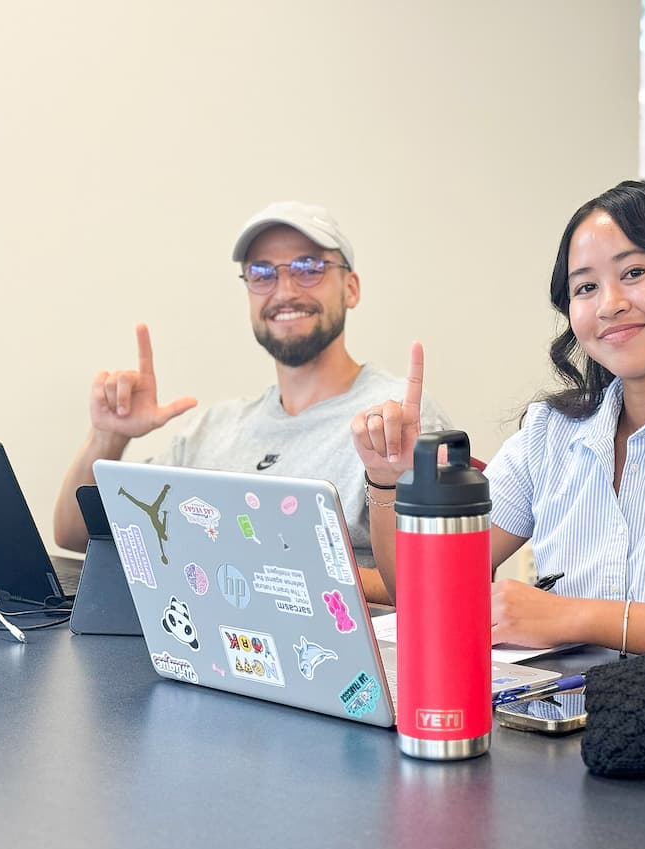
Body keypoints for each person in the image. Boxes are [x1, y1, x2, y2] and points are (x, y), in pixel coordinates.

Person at [351, 182, 645, 665]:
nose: (609, 304)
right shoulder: (551, 432)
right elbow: (423, 591)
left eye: (634, 272)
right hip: (559, 715)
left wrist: (573, 616)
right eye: (586, 287)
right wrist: (390, 482)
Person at [54, 200, 450, 603]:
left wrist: (259, 570)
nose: (285, 290)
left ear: (351, 288)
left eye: (309, 267)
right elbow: (75, 537)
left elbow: (431, 586)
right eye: (262, 273)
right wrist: (107, 437)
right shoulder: (213, 429)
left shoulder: (398, 420)